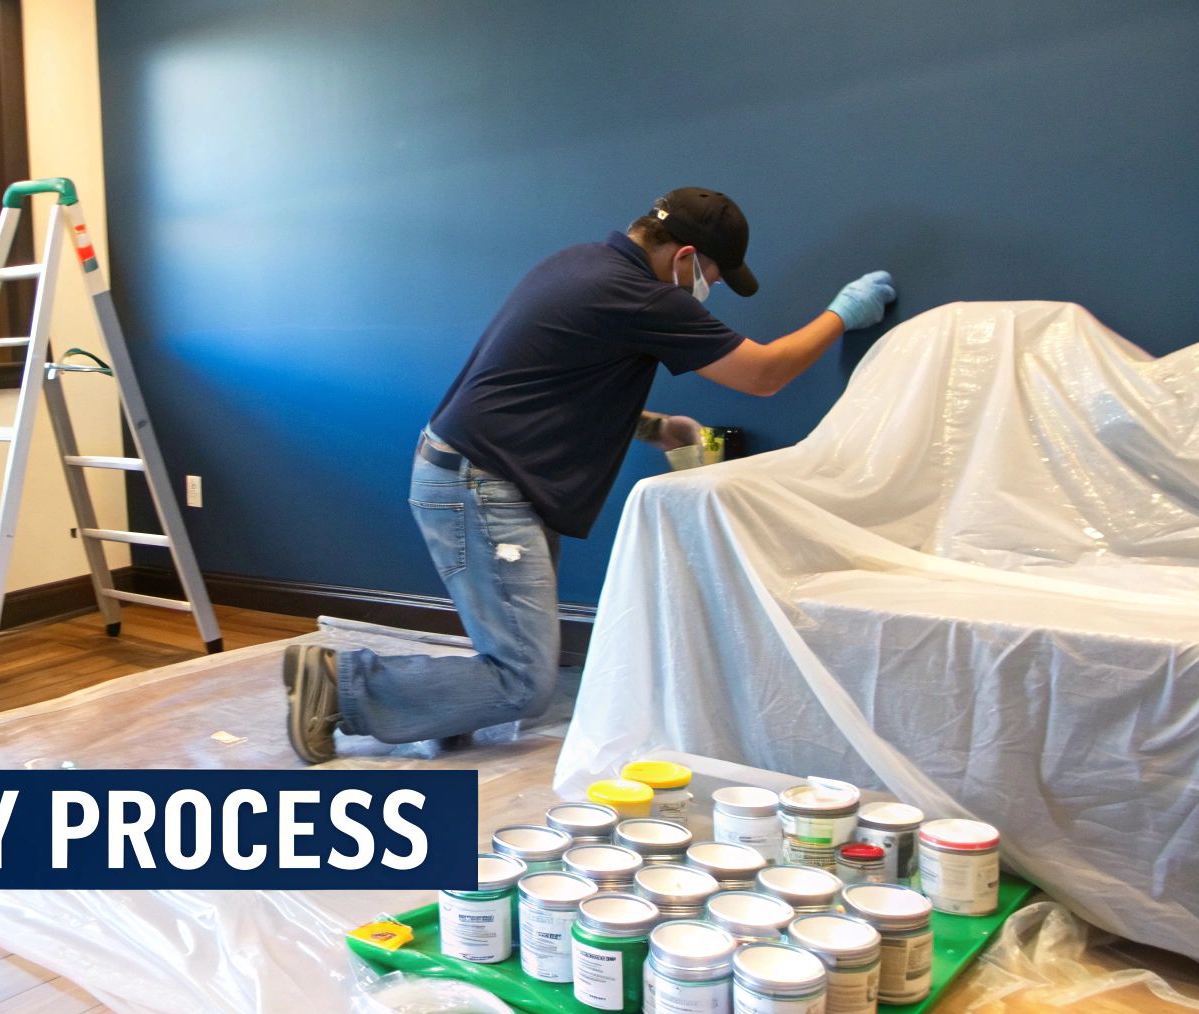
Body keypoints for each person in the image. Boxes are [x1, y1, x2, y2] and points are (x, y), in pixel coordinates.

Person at [284, 187, 895, 763]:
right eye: (710, 275)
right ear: (684, 256)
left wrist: (655, 427)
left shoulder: (581, 265)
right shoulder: (642, 296)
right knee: (524, 683)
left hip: (472, 472)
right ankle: (340, 684)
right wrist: (843, 314)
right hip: (481, 484)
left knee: (516, 654)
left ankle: (424, 708)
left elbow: (550, 382)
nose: (709, 288)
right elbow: (763, 375)